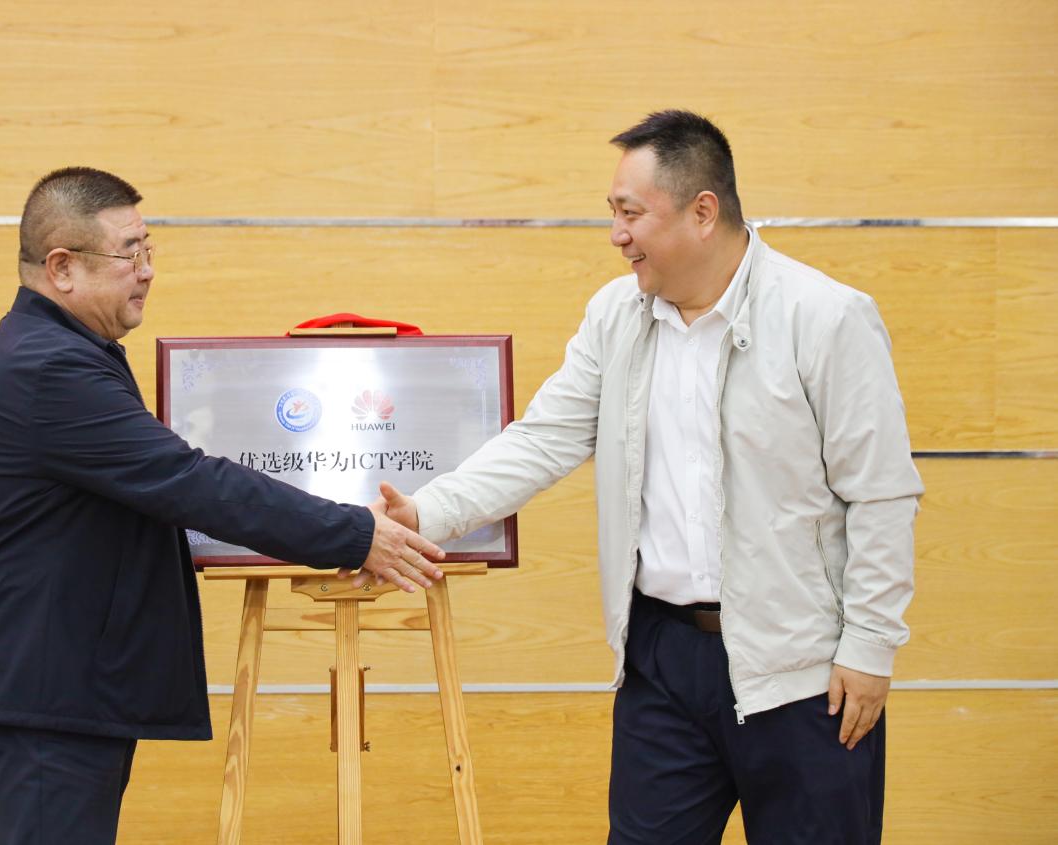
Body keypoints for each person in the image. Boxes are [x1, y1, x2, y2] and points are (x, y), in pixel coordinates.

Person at [354, 111, 923, 843]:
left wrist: (870, 647)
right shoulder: (615, 315)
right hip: (662, 660)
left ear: (703, 212)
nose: (616, 235)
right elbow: (542, 439)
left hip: (804, 670)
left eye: (630, 214)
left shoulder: (826, 318)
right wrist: (424, 513)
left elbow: (881, 493)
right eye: (612, 213)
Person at [0, 166, 445, 845]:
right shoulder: (47, 368)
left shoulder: (61, 351)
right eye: (129, 253)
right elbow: (189, 481)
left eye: (149, 249)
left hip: (51, 692)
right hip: (40, 699)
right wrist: (354, 533)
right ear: (62, 268)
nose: (147, 271)